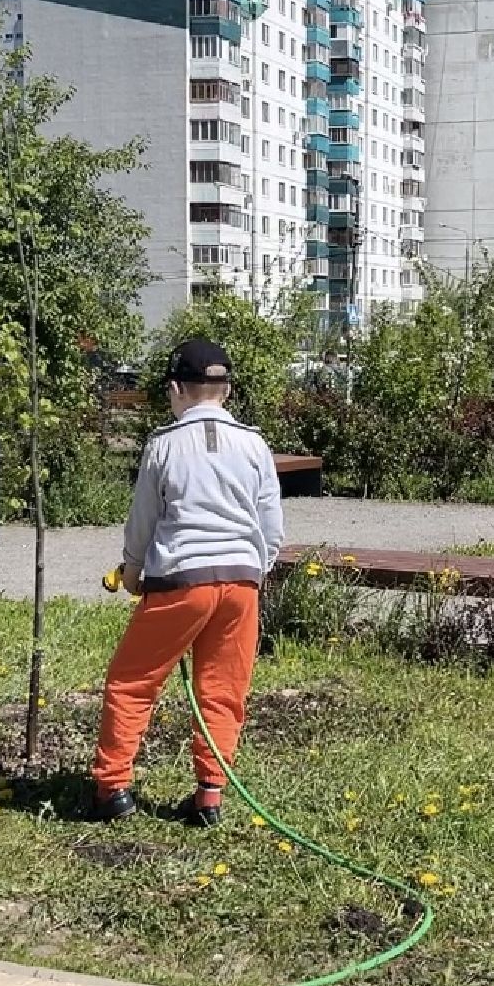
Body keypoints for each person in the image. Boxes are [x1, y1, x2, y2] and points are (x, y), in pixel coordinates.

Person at [91, 338, 285, 827]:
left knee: (132, 682)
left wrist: (133, 570)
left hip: (181, 577)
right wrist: (254, 570)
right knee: (222, 688)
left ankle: (112, 788)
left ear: (177, 389)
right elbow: (272, 526)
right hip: (241, 581)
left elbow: (143, 520)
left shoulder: (164, 445)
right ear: (226, 391)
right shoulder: (255, 445)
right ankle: (210, 795)